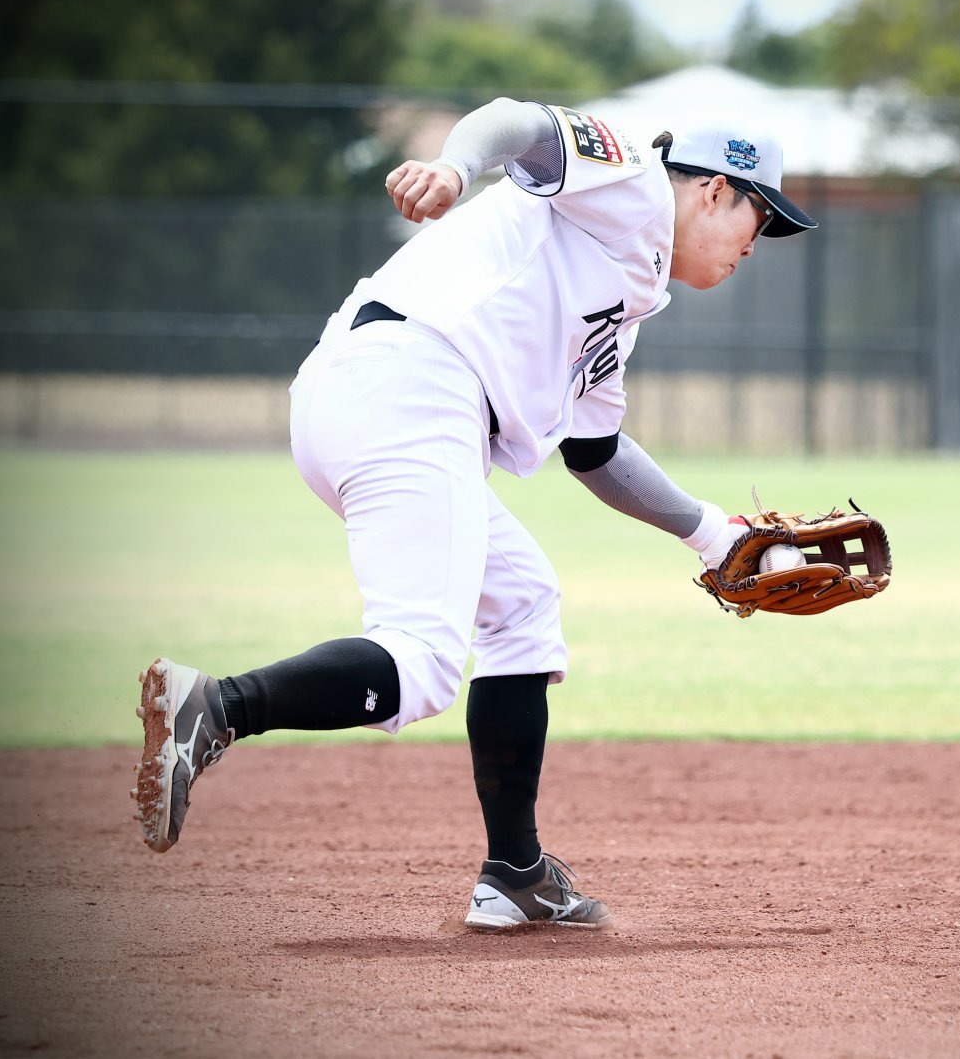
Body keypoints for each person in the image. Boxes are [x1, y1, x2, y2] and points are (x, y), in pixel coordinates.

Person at [131, 97, 817, 932]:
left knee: (523, 603)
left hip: (384, 393)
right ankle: (217, 707)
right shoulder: (635, 181)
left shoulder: (628, 297)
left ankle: (516, 874)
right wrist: (456, 166)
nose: (758, 243)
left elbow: (597, 455)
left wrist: (716, 533)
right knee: (418, 661)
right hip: (413, 380)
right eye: (759, 216)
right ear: (713, 191)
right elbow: (519, 123)